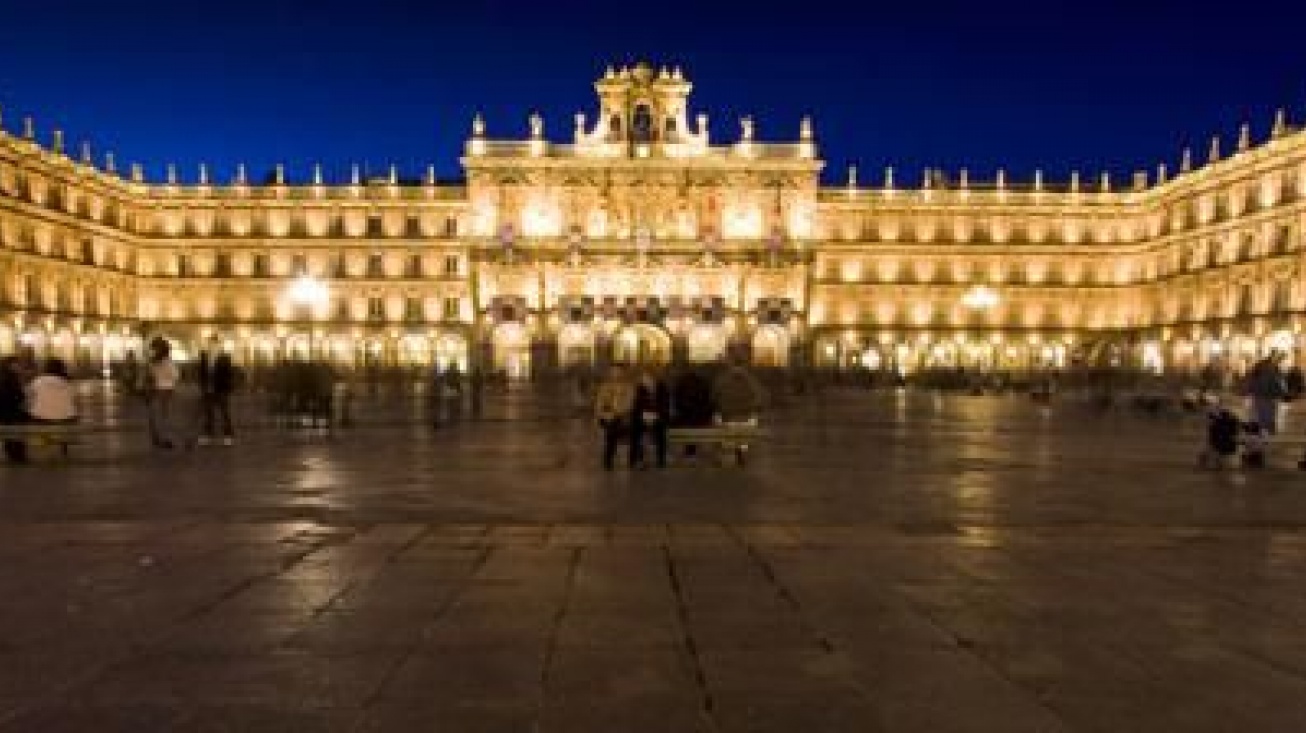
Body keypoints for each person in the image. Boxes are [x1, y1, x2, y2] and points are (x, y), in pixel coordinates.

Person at [593, 365, 635, 471]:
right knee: (611, 431)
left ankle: (612, 458)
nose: (615, 374)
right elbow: (599, 403)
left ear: (623, 373)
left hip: (622, 416)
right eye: (613, 371)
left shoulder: (628, 387)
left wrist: (616, 412)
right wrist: (600, 415)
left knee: (614, 430)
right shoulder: (604, 387)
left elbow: (629, 403)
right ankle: (608, 459)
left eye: (618, 371)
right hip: (607, 416)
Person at [630, 369, 671, 469]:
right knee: (636, 431)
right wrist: (644, 416)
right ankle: (638, 460)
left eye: (647, 379)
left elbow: (665, 405)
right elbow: (636, 406)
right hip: (642, 417)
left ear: (654, 379)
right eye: (644, 379)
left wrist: (655, 416)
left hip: (658, 416)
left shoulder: (662, 388)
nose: (645, 381)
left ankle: (661, 459)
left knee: (660, 431)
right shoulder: (640, 389)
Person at [145, 337, 180, 449]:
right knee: (164, 415)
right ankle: (164, 438)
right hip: (166, 390)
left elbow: (150, 375)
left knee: (155, 414)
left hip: (156, 389)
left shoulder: (153, 361)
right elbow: (175, 375)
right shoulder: (167, 361)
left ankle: (157, 437)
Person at [671, 368, 715, 457]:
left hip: (686, 416)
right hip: (699, 417)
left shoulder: (681, 382)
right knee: (695, 431)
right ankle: (693, 451)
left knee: (689, 431)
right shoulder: (702, 383)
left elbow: (676, 399)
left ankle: (690, 451)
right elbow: (708, 400)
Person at [199, 349, 237, 445]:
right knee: (209, 413)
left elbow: (228, 373)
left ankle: (228, 436)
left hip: (221, 389)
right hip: (208, 389)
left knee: (224, 413)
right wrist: (203, 386)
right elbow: (202, 372)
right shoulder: (204, 356)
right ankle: (208, 435)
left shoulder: (225, 357)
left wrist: (228, 387)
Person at [1244, 351, 1288, 436]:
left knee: (1261, 414)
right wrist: (1281, 393)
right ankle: (1267, 431)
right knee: (1267, 414)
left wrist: (1250, 391)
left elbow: (1251, 381)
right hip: (1268, 396)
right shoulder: (1271, 369)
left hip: (1261, 395)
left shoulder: (1261, 368)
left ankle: (1263, 431)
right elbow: (1278, 383)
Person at [26, 358, 78, 424]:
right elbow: (74, 400)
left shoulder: (37, 381)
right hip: (66, 418)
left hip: (40, 418)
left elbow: (29, 399)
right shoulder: (68, 384)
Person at [0, 356, 29, 464]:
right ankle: (18, 454)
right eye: (16, 364)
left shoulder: (7, 377)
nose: (19, 366)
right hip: (12, 411)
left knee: (11, 434)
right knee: (17, 431)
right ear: (9, 366)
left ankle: (14, 453)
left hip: (6, 411)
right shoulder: (10, 378)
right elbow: (17, 396)